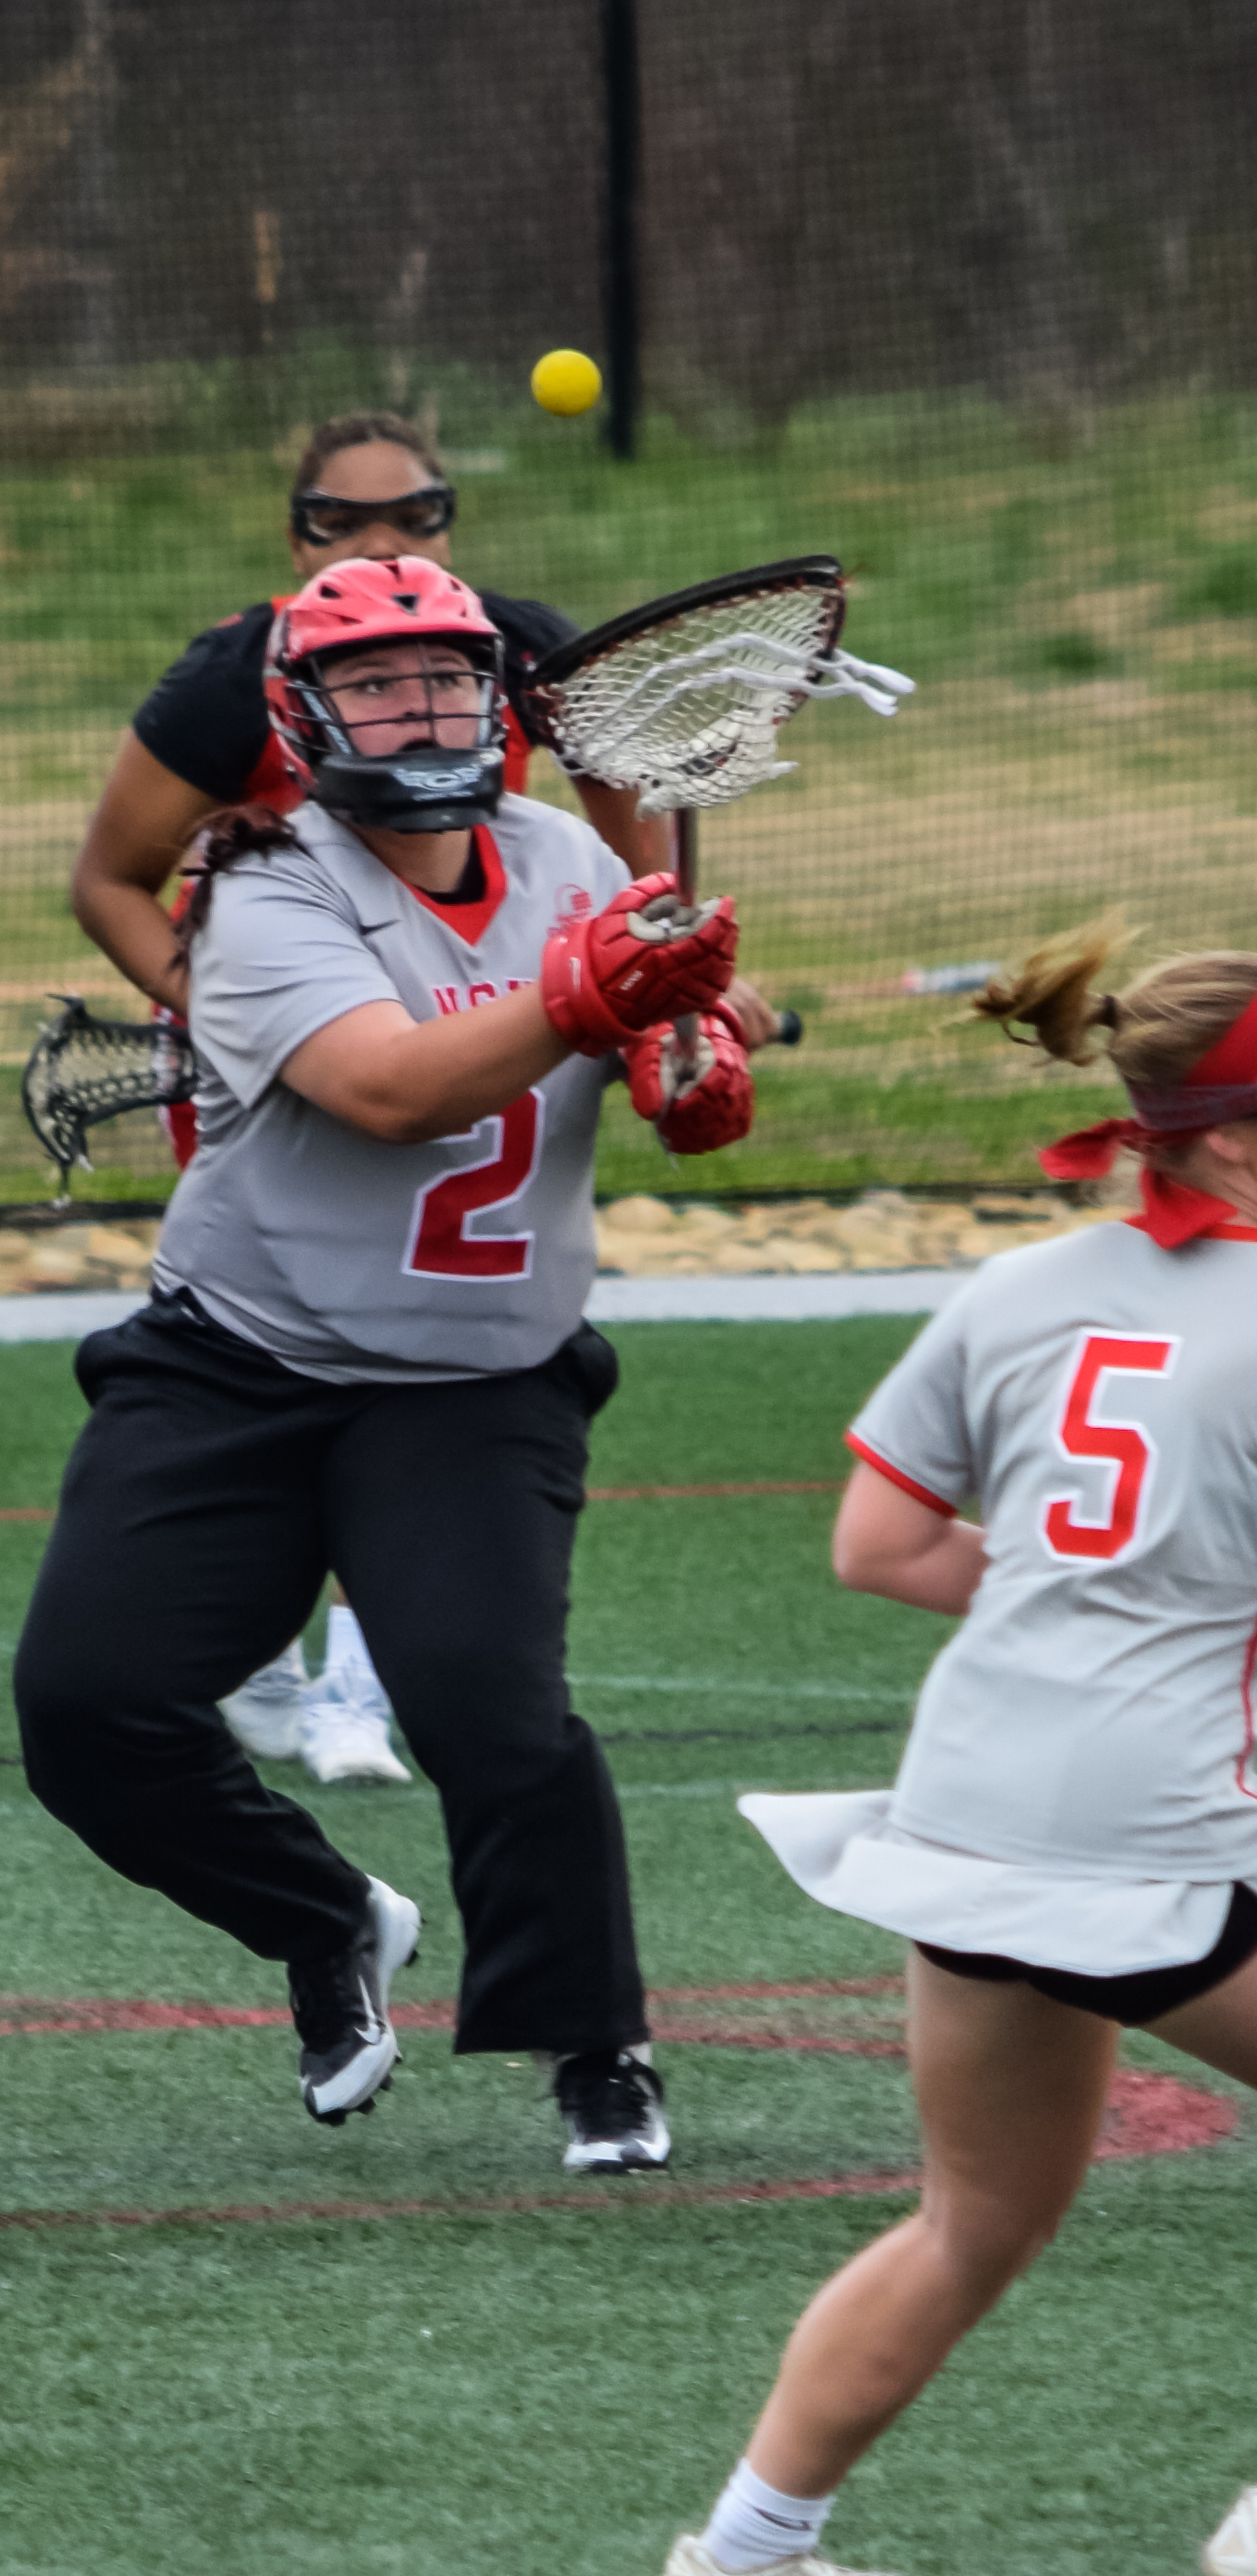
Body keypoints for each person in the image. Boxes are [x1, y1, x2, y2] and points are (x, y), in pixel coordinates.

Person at [16, 554, 755, 2172]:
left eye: (445, 677)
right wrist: (593, 997)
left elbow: (680, 1035)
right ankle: (328, 1917)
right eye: (375, 681)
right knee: (86, 1708)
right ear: (299, 708)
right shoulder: (267, 886)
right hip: (240, 1360)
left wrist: (691, 1051)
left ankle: (598, 2047)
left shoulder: (571, 859)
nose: (418, 707)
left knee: (494, 1718)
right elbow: (393, 1091)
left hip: (477, 1380)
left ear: (500, 700)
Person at [665, 919, 1257, 2576]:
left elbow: (882, 1544)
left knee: (971, 2224)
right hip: (1153, 1830)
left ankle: (745, 2554)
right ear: (1221, 1135)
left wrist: (1094, 1599)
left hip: (975, 1805)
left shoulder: (1021, 1287)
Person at [70, 407, 780, 1784]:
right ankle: (252, 1640)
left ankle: (361, 1679)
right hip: (308, 1019)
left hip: (493, 1041)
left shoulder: (517, 652)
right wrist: (228, 1015)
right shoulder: (233, 675)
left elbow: (642, 900)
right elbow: (111, 877)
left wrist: (676, 1005)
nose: (389, 538)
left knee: (439, 1367)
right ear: (296, 533)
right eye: (345, 520)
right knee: (287, 1316)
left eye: (421, 512)